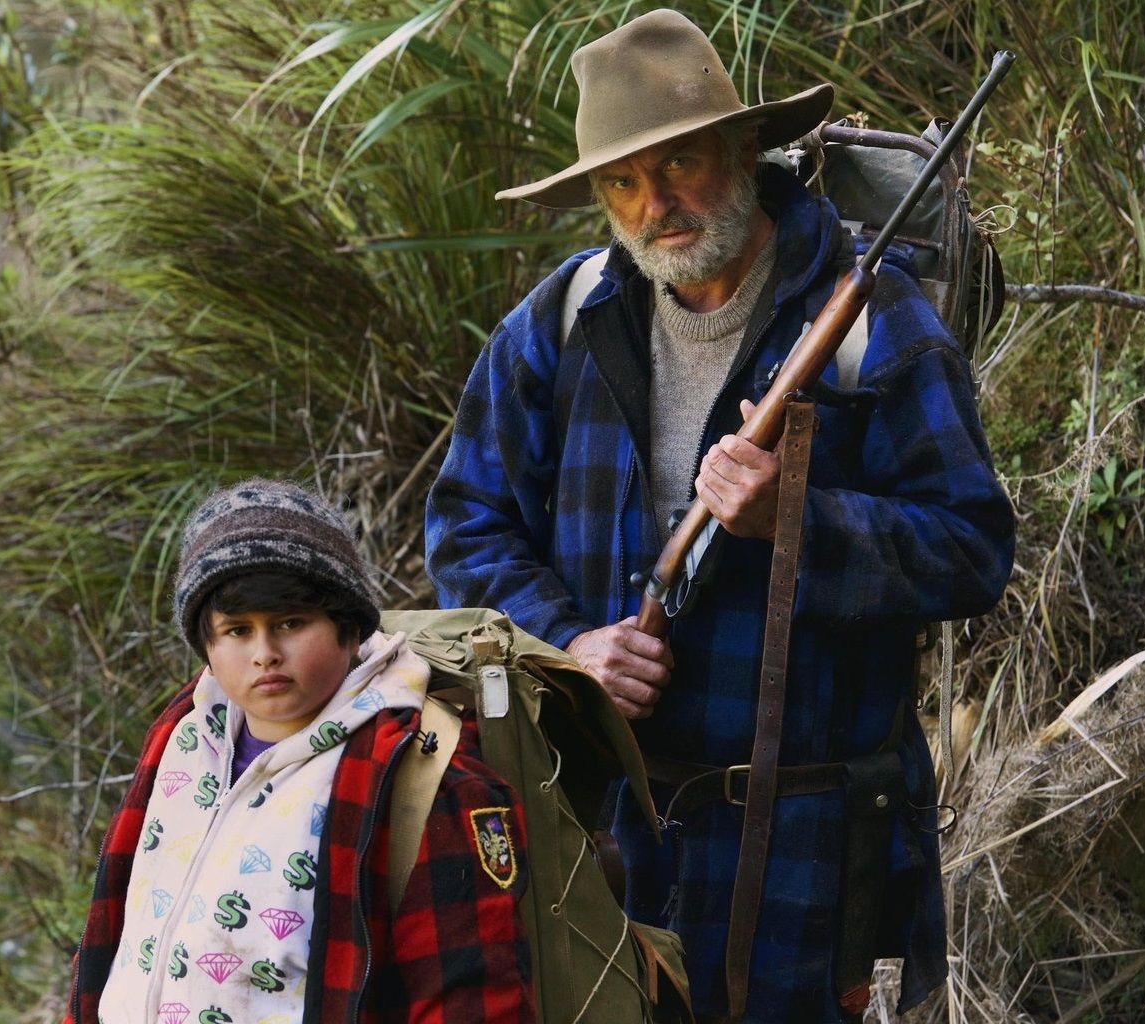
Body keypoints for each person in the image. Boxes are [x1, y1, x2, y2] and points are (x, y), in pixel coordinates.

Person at [423, 10, 1015, 1022]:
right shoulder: (559, 324)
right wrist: (566, 646)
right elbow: (464, 525)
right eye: (622, 183)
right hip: (604, 828)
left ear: (743, 147)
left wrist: (801, 519)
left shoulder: (874, 322)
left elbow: (971, 550)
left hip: (802, 843)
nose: (655, 204)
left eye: (680, 162)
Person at [68, 479, 533, 1024]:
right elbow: (114, 933)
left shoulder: (420, 776)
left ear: (349, 626)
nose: (265, 654)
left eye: (291, 623)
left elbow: (467, 1000)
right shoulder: (182, 740)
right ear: (207, 648)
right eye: (237, 630)